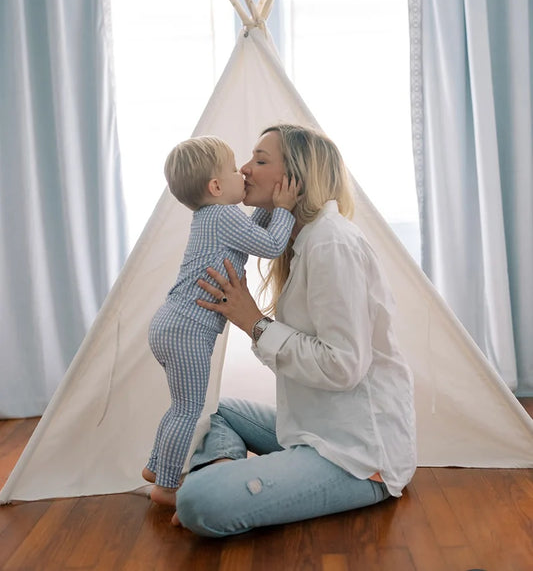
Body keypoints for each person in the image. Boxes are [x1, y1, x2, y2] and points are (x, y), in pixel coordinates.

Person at [170, 124, 417, 536]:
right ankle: (225, 471)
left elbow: (343, 366)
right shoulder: (303, 240)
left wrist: (253, 322)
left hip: (356, 455)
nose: (246, 170)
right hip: (313, 432)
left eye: (260, 161)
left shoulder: (330, 245)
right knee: (212, 408)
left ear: (297, 180)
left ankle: (215, 484)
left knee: (197, 501)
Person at [143, 135, 299, 507]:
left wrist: (269, 204)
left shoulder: (211, 217)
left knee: (179, 405)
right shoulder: (223, 216)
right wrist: (286, 208)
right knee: (188, 408)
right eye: (233, 169)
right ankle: (165, 486)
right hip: (187, 330)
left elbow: (256, 233)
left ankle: (155, 466)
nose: (242, 172)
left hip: (170, 324)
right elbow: (272, 244)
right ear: (215, 186)